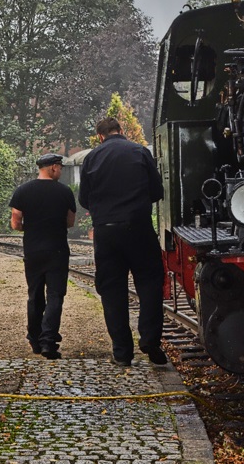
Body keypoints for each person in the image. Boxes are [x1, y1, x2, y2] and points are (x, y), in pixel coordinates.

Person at [78, 116, 166, 366]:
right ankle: (150, 339)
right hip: (138, 228)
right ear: (122, 130)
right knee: (149, 283)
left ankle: (122, 352)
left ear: (100, 136)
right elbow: (157, 191)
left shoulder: (91, 158)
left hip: (106, 233)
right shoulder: (139, 151)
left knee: (111, 290)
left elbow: (84, 199)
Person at [9, 153, 76, 359]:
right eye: (60, 168)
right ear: (54, 168)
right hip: (57, 250)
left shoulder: (22, 191)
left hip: (33, 250)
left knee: (34, 295)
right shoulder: (65, 192)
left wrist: (32, 227)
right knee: (55, 296)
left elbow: (15, 223)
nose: (61, 171)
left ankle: (34, 339)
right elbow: (70, 222)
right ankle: (48, 341)